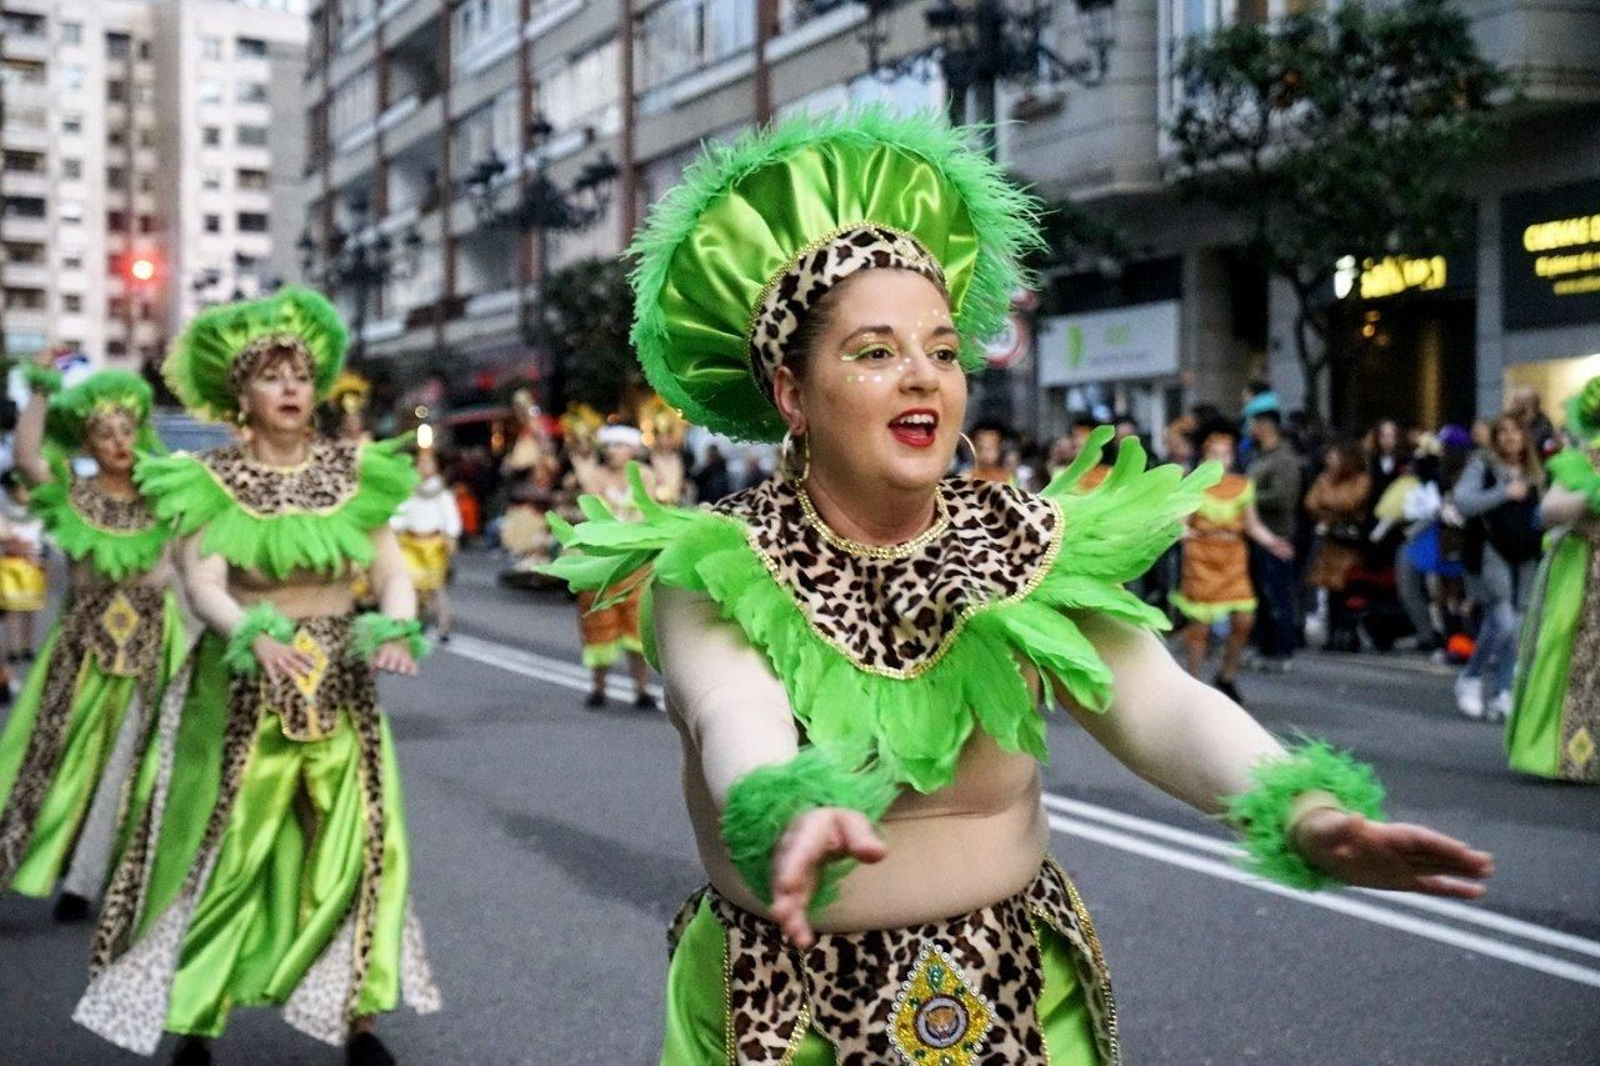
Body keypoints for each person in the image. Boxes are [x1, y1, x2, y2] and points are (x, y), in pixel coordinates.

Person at [545, 109, 1490, 1063]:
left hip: (1020, 1006)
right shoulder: (719, 559)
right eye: (876, 353)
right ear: (793, 394)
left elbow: (1158, 705)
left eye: (944, 350)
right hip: (787, 1021)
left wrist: (1303, 810)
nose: (924, 377)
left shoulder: (1025, 538)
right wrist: (779, 809)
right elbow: (728, 708)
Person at [74, 289, 441, 1064]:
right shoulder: (209, 478)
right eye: (271, 377)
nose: (290, 389)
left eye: (300, 375)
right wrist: (255, 634)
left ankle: (359, 1022)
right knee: (224, 847)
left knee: (356, 845)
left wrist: (397, 623)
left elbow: (390, 570)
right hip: (239, 685)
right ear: (239, 395)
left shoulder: (353, 470)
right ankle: (193, 1020)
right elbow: (204, 582)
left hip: (340, 682)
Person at [0, 362, 186, 924]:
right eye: (104, 434)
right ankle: (15, 859)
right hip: (83, 642)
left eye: (127, 431)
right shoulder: (72, 493)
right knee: (50, 752)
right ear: (88, 442)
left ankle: (86, 879)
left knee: (134, 762)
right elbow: (29, 458)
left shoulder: (164, 494)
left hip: (153, 639)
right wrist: (39, 392)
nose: (118, 443)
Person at [1506, 376, 1600, 781]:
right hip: (1582, 572)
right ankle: (1573, 754)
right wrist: (1591, 495)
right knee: (1573, 654)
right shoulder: (1582, 462)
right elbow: (1546, 513)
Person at [1173, 430, 1294, 703]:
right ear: (1204, 458)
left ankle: (1227, 675)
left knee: (1244, 619)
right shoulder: (1194, 485)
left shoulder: (1241, 485)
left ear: (1232, 458)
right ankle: (1193, 684)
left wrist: (1273, 543)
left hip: (1233, 557)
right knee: (1200, 626)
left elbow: (1252, 525)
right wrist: (1182, 533)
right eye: (1213, 454)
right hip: (1202, 558)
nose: (1219, 459)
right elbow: (1182, 521)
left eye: (1225, 454)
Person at [1453, 414, 1544, 721]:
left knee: (1514, 626)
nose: (1509, 437)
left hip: (1528, 555)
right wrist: (1504, 493)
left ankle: (1503, 691)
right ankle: (1471, 676)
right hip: (1492, 553)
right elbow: (1463, 503)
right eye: (1502, 432)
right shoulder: (1483, 466)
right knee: (1503, 621)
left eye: (1516, 431)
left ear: (1525, 437)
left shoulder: (1537, 472)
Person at [565, 423, 657, 710]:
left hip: (634, 563)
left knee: (637, 628)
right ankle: (598, 687)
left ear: (633, 449)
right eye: (611, 446)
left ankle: (641, 689)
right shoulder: (596, 476)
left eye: (620, 445)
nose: (614, 451)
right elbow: (589, 511)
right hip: (601, 564)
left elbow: (651, 514)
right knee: (598, 625)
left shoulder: (645, 476)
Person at [1246, 410, 1302, 669]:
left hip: (1276, 533)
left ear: (1264, 427)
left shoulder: (1283, 459)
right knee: (1261, 595)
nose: (1249, 428)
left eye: (1253, 423)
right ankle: (1265, 647)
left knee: (1278, 593)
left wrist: (1248, 499)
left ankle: (1283, 649)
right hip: (1256, 533)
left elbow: (1284, 497)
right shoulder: (1260, 456)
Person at [1304, 439, 1373, 649]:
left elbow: (1350, 502)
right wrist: (1330, 507)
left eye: (1334, 456)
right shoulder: (1324, 478)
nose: (1329, 460)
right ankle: (1332, 632)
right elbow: (1310, 503)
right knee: (1329, 589)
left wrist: (1327, 505)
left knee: (1345, 587)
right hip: (1329, 541)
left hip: (1347, 542)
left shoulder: (1361, 480)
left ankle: (1346, 632)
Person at [392, 439, 463, 643]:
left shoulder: (441, 493)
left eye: (428, 463)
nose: (424, 467)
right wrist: (396, 531)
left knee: (436, 588)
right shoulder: (409, 489)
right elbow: (400, 513)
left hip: (433, 545)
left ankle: (443, 626)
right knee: (411, 588)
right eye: (421, 463)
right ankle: (412, 625)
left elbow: (450, 517)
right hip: (411, 544)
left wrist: (451, 536)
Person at [0, 470, 47, 659]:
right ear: (11, 491)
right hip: (11, 567)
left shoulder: (37, 514)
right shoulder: (4, 514)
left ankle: (27, 646)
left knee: (30, 609)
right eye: (20, 489)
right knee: (11, 609)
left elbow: (43, 543)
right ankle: (14, 647)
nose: (24, 493)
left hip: (33, 567)